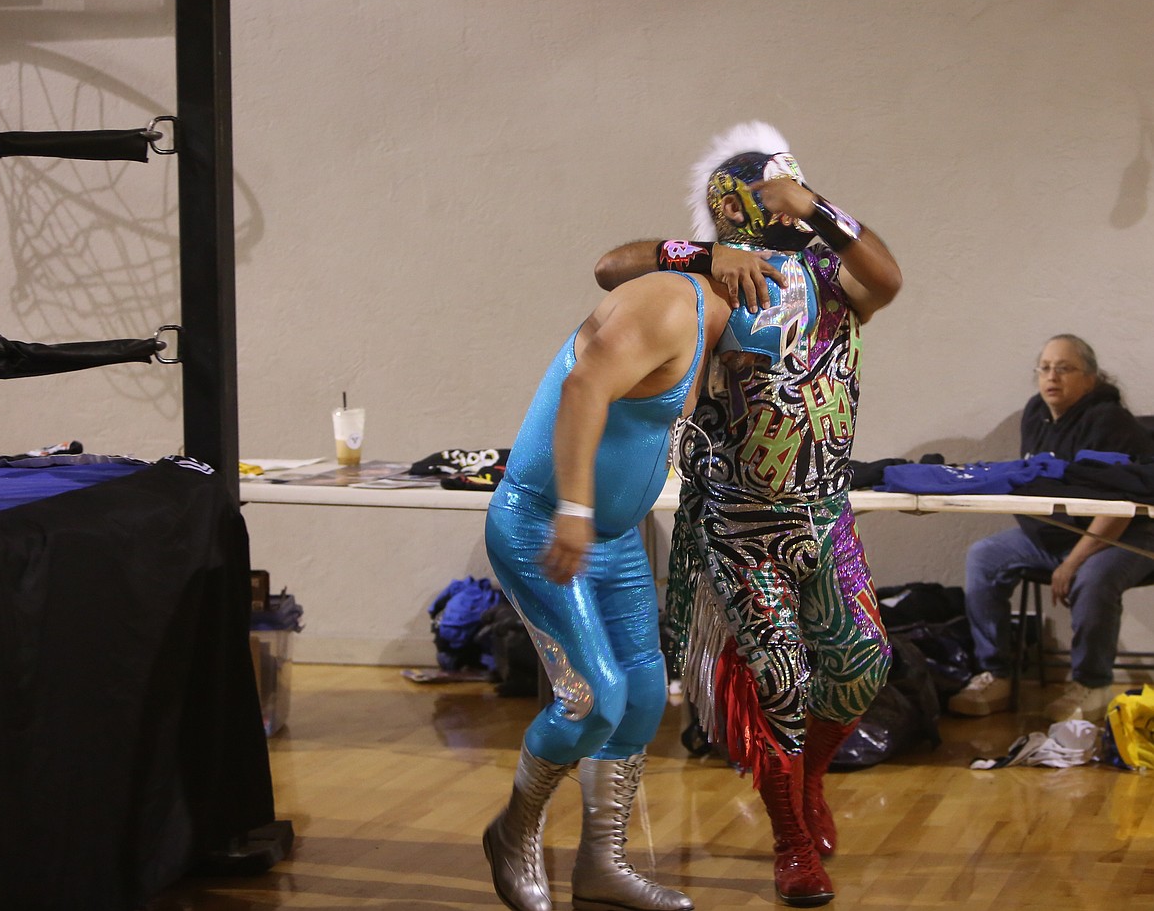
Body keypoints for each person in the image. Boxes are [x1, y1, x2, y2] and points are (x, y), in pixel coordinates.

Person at [594, 121, 903, 907]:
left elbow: (892, 278)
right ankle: (792, 842)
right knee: (783, 687)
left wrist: (822, 206)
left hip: (825, 511)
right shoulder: (715, 285)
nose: (779, 198)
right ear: (732, 205)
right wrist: (699, 253)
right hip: (741, 526)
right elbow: (609, 266)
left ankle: (808, 787)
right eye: (769, 190)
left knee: (864, 661)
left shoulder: (835, 274)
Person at [482, 263, 737, 911]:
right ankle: (514, 830)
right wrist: (571, 508)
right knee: (594, 697)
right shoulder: (670, 303)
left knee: (646, 694)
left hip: (615, 535)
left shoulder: (712, 321)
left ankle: (601, 864)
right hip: (544, 522)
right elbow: (583, 386)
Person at [949, 334, 1154, 723]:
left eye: (1064, 368)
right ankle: (997, 675)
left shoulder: (1109, 421)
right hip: (1057, 534)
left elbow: (1119, 509)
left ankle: (1091, 685)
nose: (1051, 377)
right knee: (984, 556)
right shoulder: (1035, 412)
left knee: (1091, 578)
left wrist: (1071, 563)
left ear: (1090, 379)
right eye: (1044, 368)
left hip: (1123, 536)